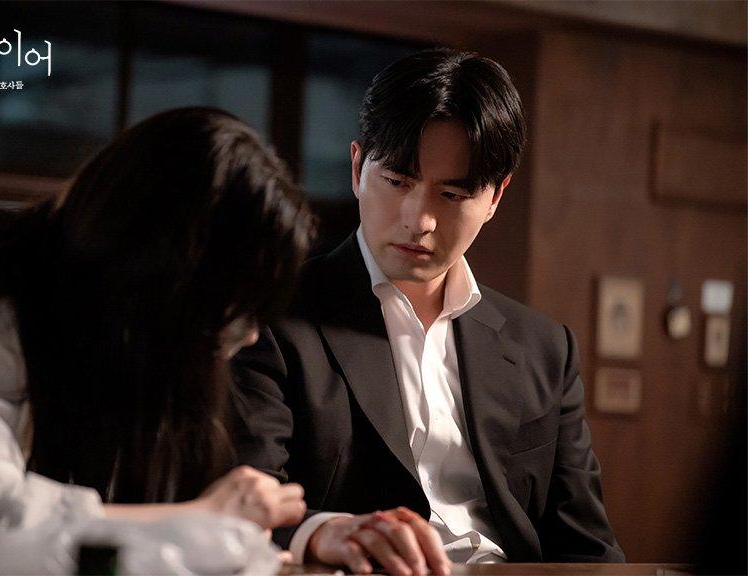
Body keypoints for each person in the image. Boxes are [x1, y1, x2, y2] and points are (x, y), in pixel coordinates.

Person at [231, 48, 625, 575]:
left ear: (496, 197)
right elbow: (240, 503)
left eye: (453, 194)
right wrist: (322, 533)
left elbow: (587, 546)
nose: (420, 220)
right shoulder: (274, 315)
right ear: (357, 168)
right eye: (398, 182)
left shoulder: (544, 348)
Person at [0, 108, 313, 536]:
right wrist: (204, 517)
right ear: (164, 268)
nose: (249, 335)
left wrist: (304, 534)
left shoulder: (127, 339)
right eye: (236, 302)